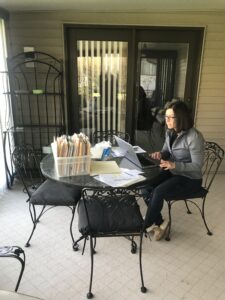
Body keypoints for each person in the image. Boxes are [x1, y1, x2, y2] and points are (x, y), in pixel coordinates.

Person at [143, 100, 205, 241]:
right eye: (166, 117)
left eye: (170, 117)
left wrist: (174, 165)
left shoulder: (194, 137)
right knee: (146, 186)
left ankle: (144, 225)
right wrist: (161, 154)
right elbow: (166, 151)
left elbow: (197, 165)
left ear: (181, 118)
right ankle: (160, 222)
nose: (167, 120)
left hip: (190, 178)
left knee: (158, 191)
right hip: (174, 171)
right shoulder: (170, 132)